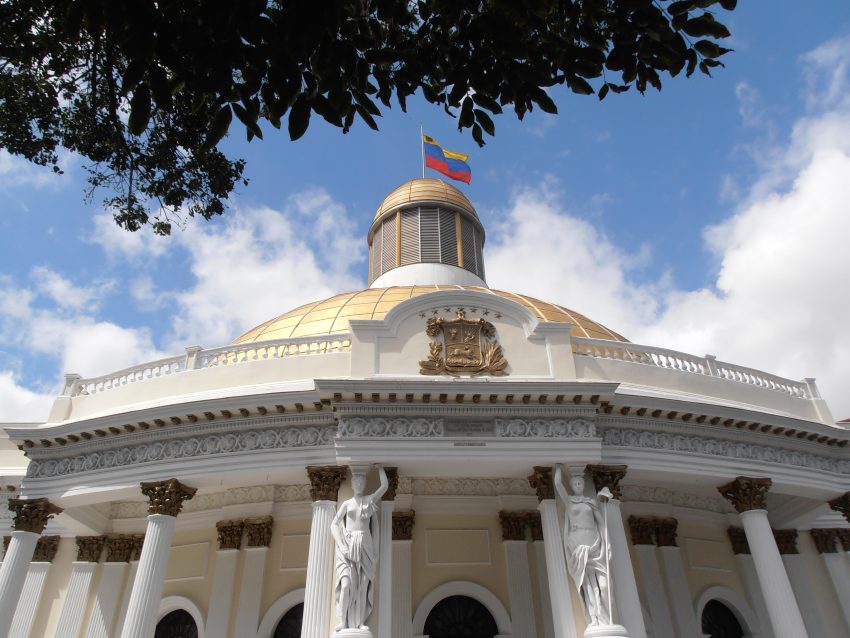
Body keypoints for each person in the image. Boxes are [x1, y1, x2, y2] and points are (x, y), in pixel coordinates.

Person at [332, 465, 388, 632]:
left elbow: (384, 487)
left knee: (364, 585)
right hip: (348, 545)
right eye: (356, 482)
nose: (359, 485)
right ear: (352, 484)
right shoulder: (347, 504)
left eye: (361, 483)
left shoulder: (368, 501)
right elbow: (334, 524)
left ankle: (359, 622)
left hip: (365, 543)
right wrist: (342, 545)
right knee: (347, 584)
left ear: (363, 485)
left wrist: (380, 469)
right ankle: (343, 621)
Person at [554, 465, 612, 627]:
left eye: (580, 483)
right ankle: (594, 618)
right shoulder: (569, 501)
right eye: (575, 484)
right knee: (585, 583)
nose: (578, 486)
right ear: (571, 486)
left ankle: (606, 619)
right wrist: (558, 466)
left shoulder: (591, 502)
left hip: (594, 541)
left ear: (584, 485)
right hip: (577, 542)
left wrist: (607, 544)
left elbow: (602, 524)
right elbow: (558, 484)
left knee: (604, 585)